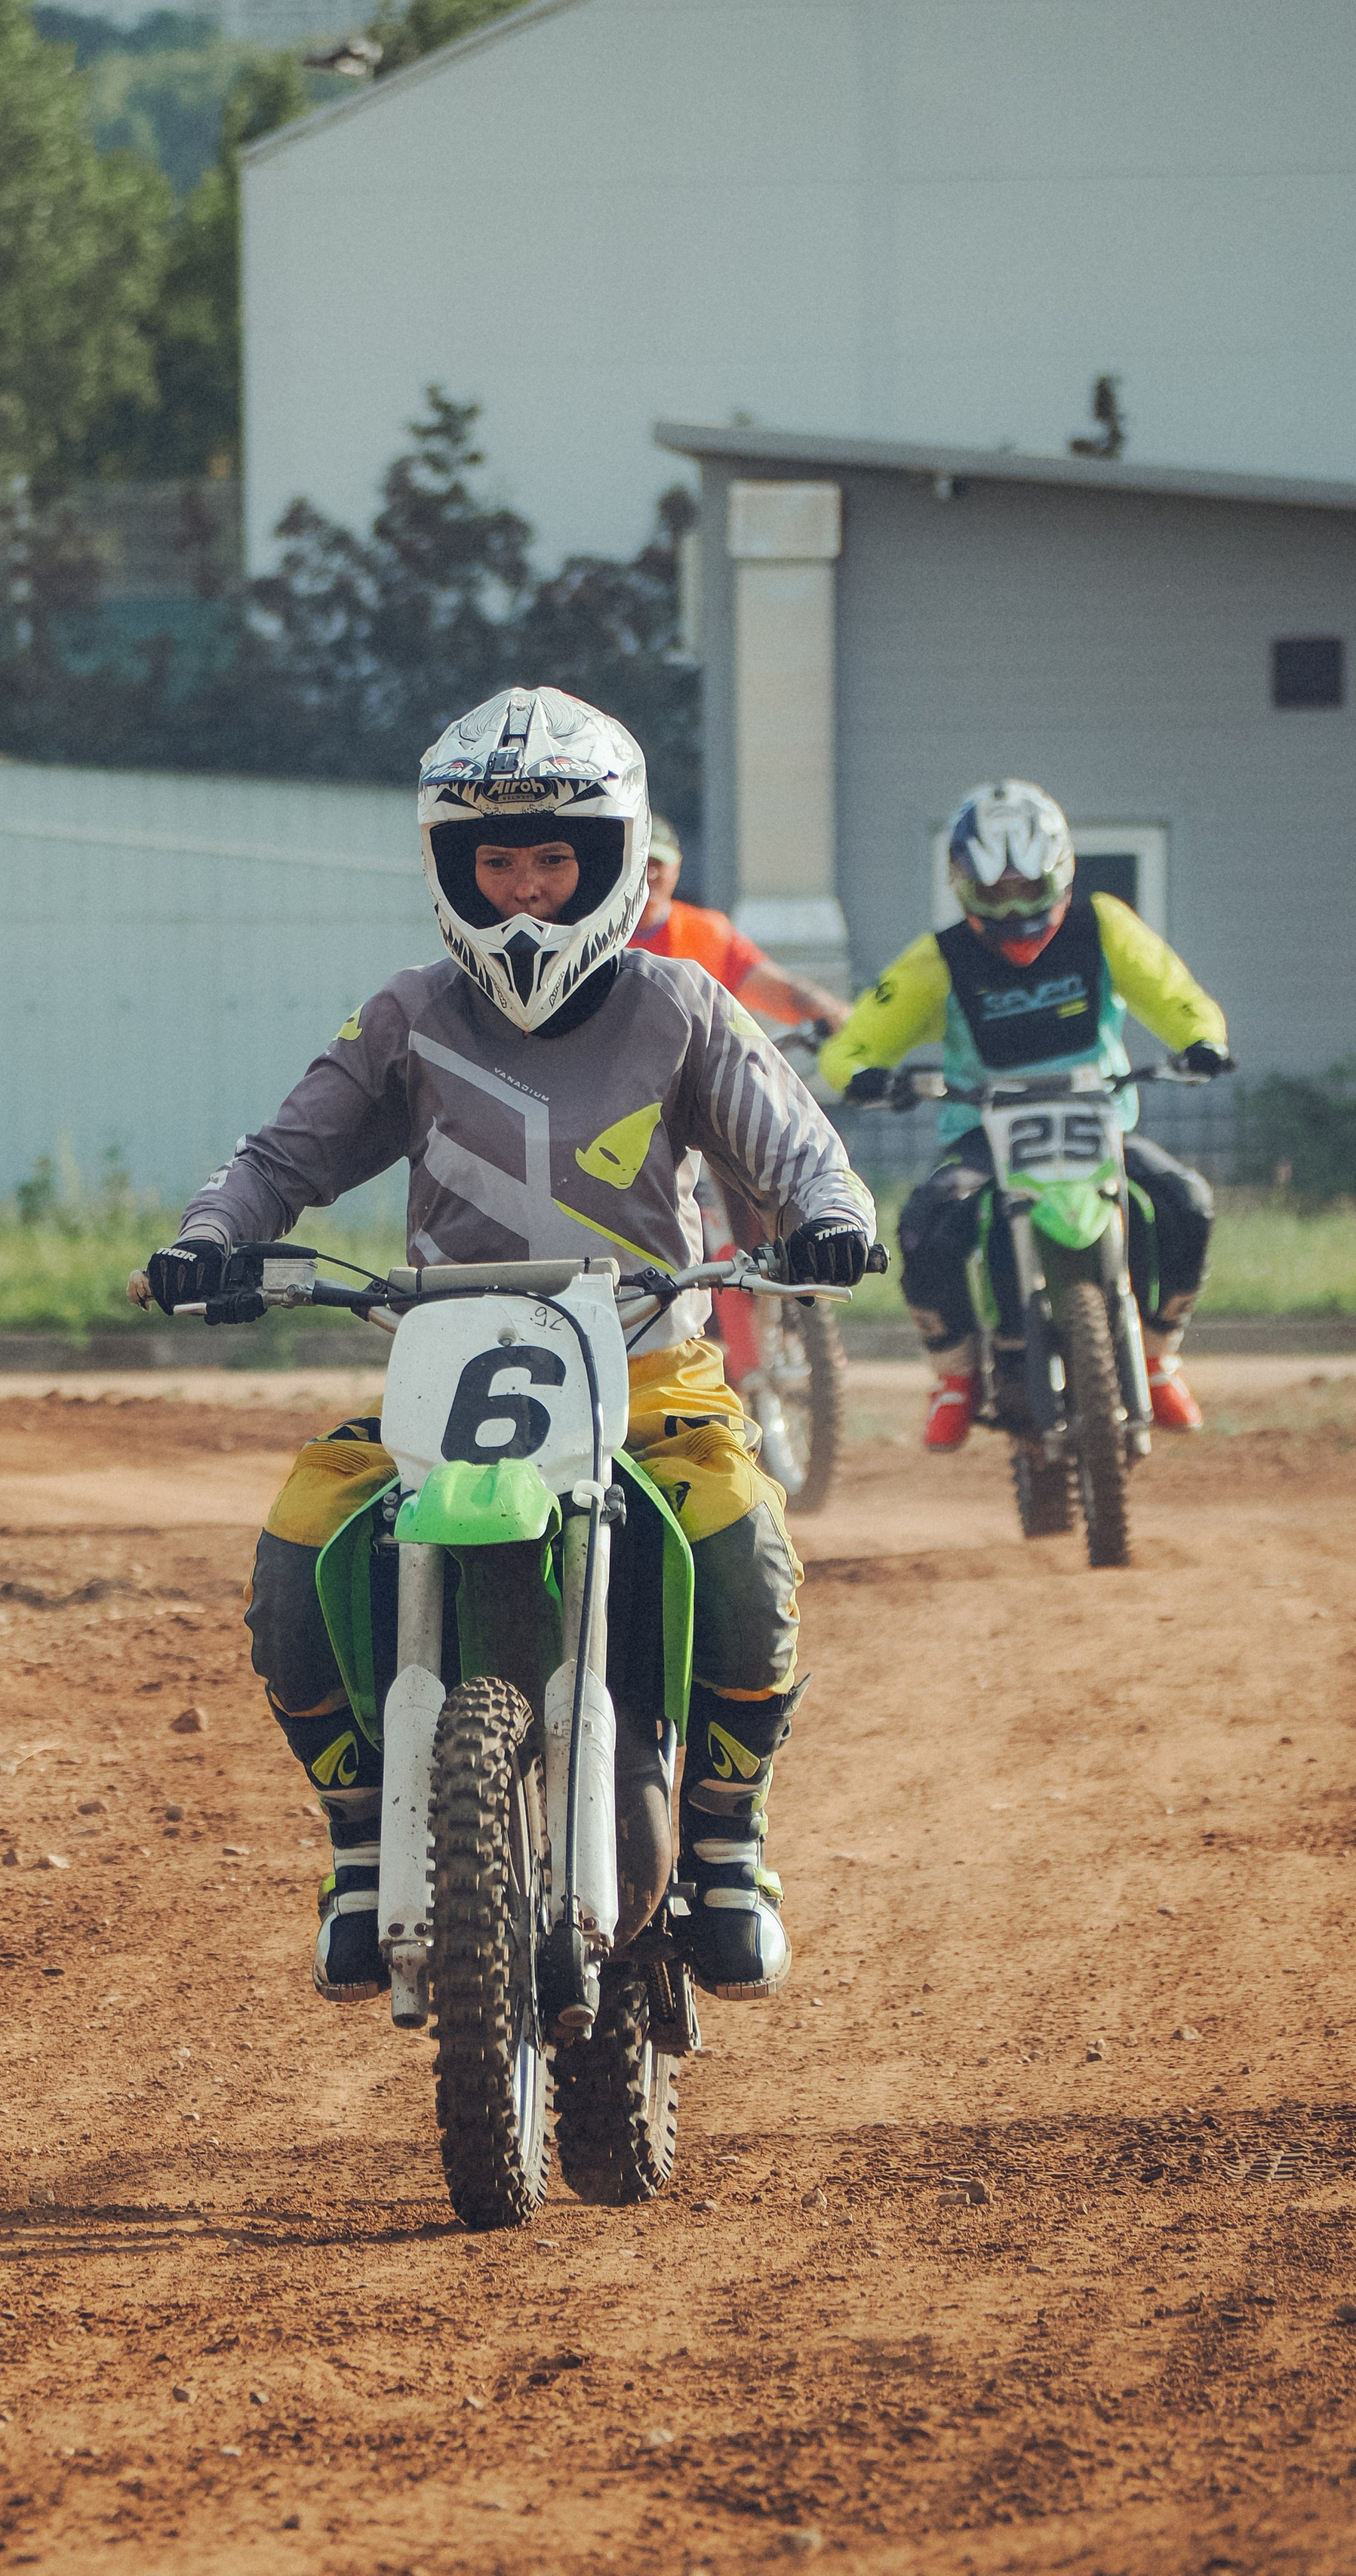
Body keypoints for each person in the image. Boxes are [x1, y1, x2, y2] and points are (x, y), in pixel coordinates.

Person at [131, 685, 875, 2010]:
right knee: (300, 1551)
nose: (526, 889)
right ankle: (363, 1843)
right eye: (497, 860)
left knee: (748, 1550)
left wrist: (828, 1220)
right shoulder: (407, 1018)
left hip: (653, 1378)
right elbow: (278, 1159)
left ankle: (727, 1839)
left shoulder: (682, 1008)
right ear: (451, 868)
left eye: (552, 859)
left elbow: (798, 1147)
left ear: (612, 863)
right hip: (445, 1389)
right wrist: (211, 1236)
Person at [817, 780, 1231, 1449]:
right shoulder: (940, 957)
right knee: (923, 1224)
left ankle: (1157, 1357)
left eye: (1028, 888)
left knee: (1187, 1201)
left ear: (1061, 870)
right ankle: (954, 1376)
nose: (1014, 910)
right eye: (993, 893)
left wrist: (1203, 1043)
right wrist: (866, 1076)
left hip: (1098, 1120)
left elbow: (1175, 993)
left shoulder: (1103, 925)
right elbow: (853, 1044)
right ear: (961, 883)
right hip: (984, 1128)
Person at [632, 814, 853, 1034]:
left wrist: (832, 1013)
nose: (650, 873)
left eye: (659, 863)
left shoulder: (707, 932)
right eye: (642, 863)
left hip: (690, 1063)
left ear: (677, 866)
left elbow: (775, 989)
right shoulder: (602, 931)